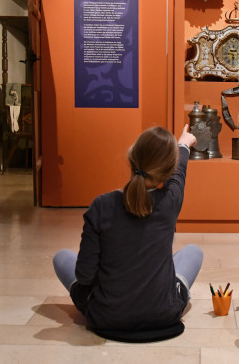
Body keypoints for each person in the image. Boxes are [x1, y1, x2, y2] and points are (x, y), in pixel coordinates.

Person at [53, 125, 204, 333]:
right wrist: (183, 144)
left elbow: (85, 276)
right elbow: (179, 175)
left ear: (131, 157)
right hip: (163, 314)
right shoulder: (170, 201)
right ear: (166, 172)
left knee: (61, 257)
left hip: (106, 316)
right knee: (193, 252)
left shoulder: (101, 205)